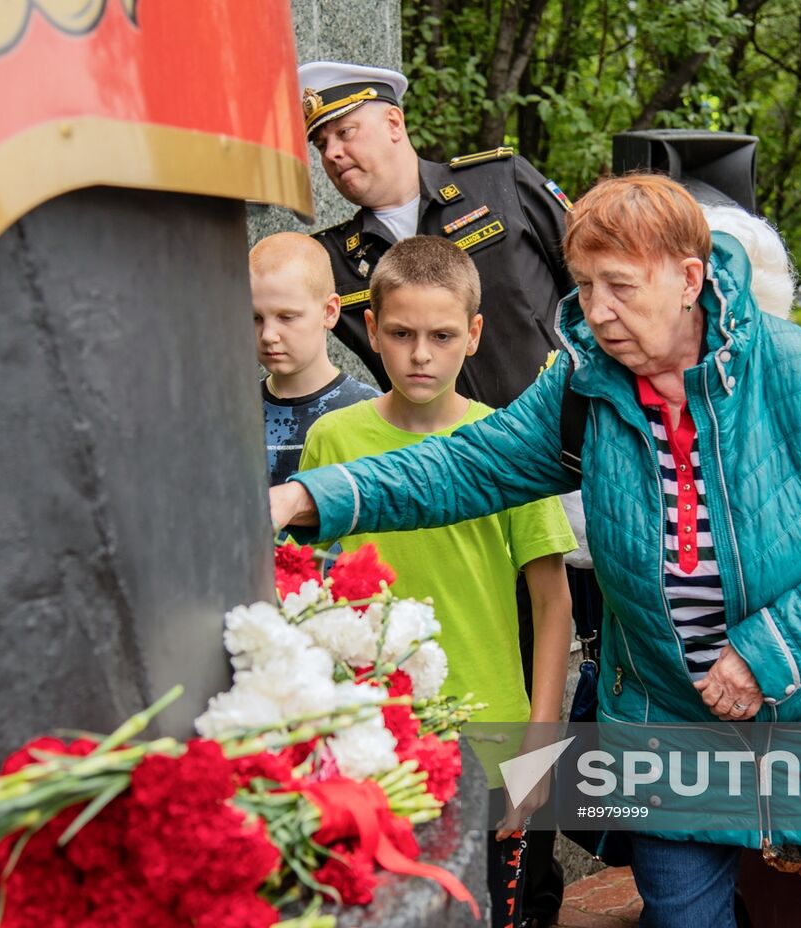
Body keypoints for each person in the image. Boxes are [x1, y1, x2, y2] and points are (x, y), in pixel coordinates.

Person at [272, 174, 801, 928]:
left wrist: (767, 652)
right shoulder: (582, 393)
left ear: (689, 279)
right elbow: (463, 464)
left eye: (619, 287)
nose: (595, 311)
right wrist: (308, 498)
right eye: (585, 285)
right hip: (667, 725)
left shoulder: (794, 372)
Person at [298, 235, 576, 928]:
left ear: (474, 335)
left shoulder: (512, 444)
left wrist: (541, 744)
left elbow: (553, 602)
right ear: (371, 331)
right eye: (402, 333)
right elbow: (315, 596)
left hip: (492, 738)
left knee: (504, 910)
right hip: (375, 737)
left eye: (442, 335)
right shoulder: (333, 441)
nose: (421, 354)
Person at [296, 61, 575, 410]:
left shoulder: (501, 183)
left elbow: (591, 281)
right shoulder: (333, 258)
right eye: (321, 145)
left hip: (562, 431)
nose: (332, 153)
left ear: (394, 123)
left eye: (345, 132)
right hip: (449, 457)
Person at [250, 232, 379, 486]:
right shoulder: (233, 413)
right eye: (255, 317)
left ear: (329, 312)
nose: (268, 335)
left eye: (286, 317)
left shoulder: (371, 414)